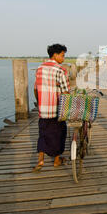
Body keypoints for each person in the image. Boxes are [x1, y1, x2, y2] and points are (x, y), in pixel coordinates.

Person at [33, 44, 70, 172]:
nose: (63, 58)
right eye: (62, 55)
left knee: (43, 134)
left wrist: (39, 103)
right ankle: (56, 160)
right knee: (59, 133)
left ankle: (41, 160)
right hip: (57, 109)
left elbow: (35, 89)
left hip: (43, 109)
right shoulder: (60, 70)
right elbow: (65, 92)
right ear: (55, 55)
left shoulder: (39, 68)